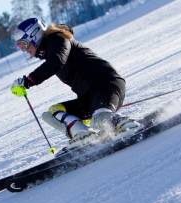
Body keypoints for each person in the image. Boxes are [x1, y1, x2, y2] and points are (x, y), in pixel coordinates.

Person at [11, 17, 142, 145]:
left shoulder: (58, 38)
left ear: (34, 35)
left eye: (24, 44)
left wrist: (29, 80)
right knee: (53, 114)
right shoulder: (50, 51)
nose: (24, 49)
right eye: (20, 46)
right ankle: (84, 136)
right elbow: (53, 62)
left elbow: (56, 62)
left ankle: (126, 124)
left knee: (100, 119)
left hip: (105, 84)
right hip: (89, 97)